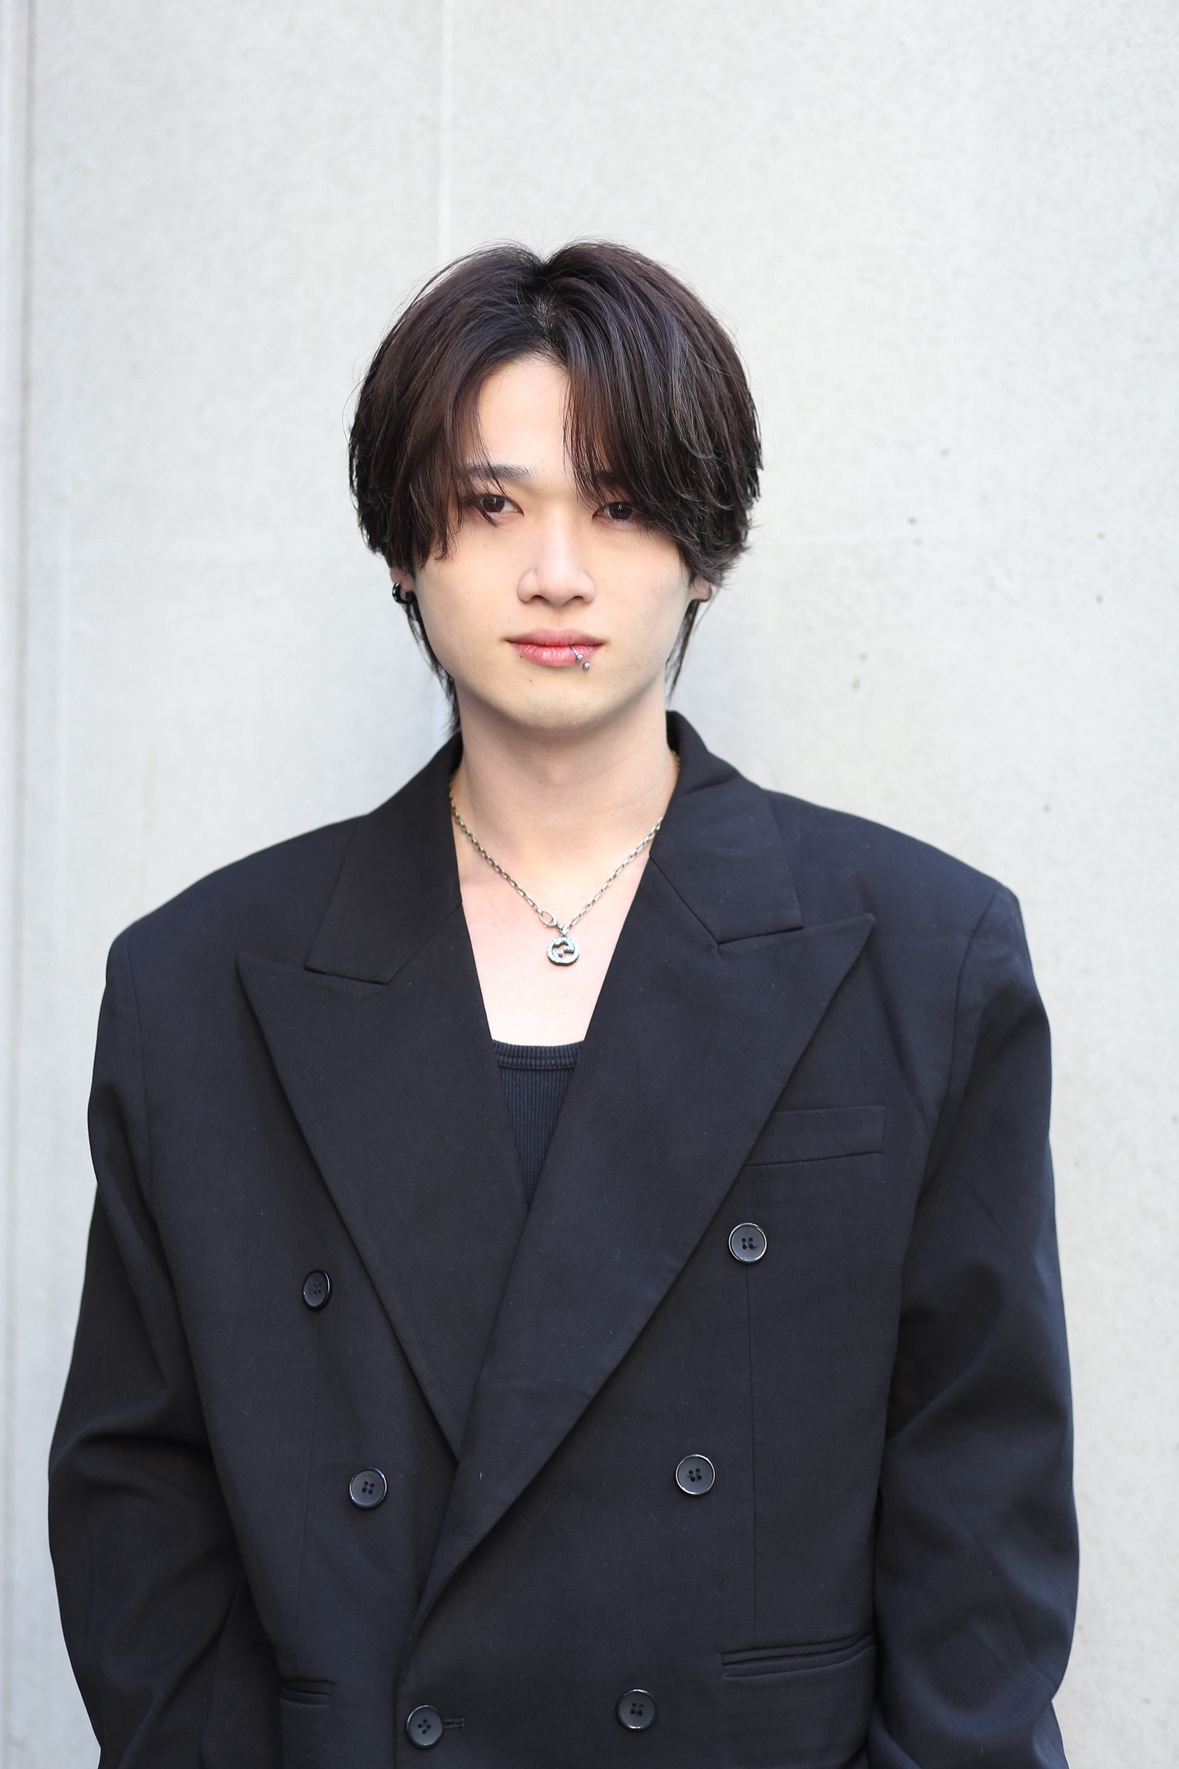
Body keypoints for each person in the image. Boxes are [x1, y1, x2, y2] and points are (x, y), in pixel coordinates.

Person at [49, 242, 1077, 1768]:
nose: (556, 572)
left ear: (706, 550)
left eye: (620, 502)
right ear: (403, 544)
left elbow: (982, 1526)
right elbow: (139, 1512)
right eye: (491, 505)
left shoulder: (926, 958)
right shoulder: (195, 988)